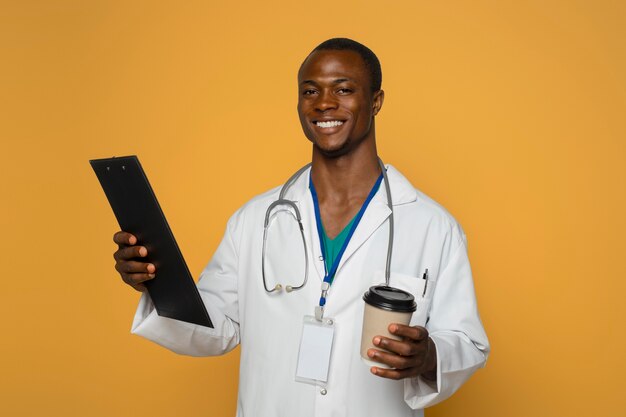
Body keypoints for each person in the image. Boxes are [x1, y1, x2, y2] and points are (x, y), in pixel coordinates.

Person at [113, 38, 489, 417]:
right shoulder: (254, 220)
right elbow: (217, 327)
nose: (324, 103)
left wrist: (429, 357)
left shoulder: (433, 226)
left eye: (343, 89)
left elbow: (467, 342)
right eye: (310, 90)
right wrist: (157, 282)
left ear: (376, 101)